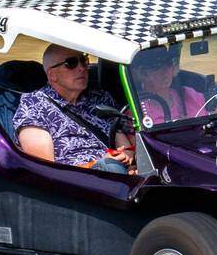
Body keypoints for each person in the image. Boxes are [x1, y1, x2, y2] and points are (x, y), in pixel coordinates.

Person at [13, 44, 134, 173]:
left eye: (83, 60)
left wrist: (128, 156)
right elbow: (45, 168)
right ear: (52, 74)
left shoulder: (99, 96)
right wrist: (95, 166)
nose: (82, 68)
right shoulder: (34, 105)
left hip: (118, 171)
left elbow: (118, 132)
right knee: (111, 168)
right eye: (71, 63)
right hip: (74, 182)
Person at [132, 45, 208, 124]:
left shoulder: (189, 94)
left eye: (168, 63)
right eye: (156, 66)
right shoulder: (137, 110)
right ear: (142, 73)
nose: (165, 70)